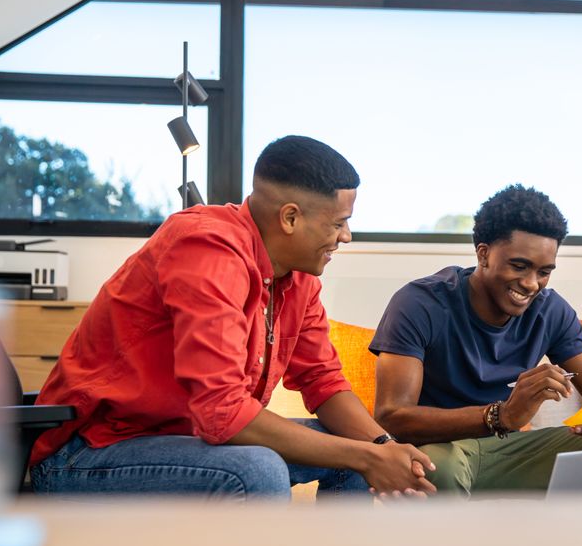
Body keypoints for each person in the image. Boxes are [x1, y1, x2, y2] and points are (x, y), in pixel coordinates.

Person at [29, 135, 435, 500]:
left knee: (348, 451)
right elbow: (222, 414)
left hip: (184, 443)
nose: (346, 236)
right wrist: (365, 456)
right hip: (90, 453)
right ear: (290, 218)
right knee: (257, 471)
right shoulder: (207, 250)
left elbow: (322, 382)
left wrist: (382, 448)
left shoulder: (298, 276)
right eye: (339, 223)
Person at [369, 184, 582, 496]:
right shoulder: (420, 303)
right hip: (438, 450)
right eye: (519, 266)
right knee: (438, 468)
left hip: (508, 451)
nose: (531, 284)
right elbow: (392, 416)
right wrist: (502, 415)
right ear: (483, 254)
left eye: (544, 271)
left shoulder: (551, 311)